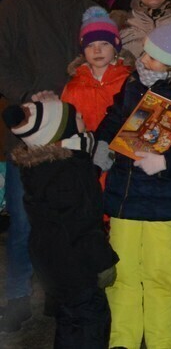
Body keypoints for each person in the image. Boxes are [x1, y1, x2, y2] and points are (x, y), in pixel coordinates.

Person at [0, 0, 96, 332]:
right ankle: (17, 295)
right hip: (31, 129)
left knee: (71, 216)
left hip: (75, 125)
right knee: (25, 219)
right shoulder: (19, 6)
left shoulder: (91, 8)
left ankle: (63, 291)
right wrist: (25, 94)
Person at [94, 21, 171, 349]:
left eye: (152, 56)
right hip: (125, 197)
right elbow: (115, 116)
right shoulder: (134, 82)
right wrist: (102, 145)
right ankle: (123, 341)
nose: (143, 58)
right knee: (123, 273)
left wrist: (167, 162)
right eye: (145, 51)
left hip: (165, 201)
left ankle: (164, 342)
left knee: (162, 276)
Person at [4, 98, 116, 348]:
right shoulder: (73, 171)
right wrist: (104, 262)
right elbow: (85, 224)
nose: (83, 120)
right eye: (76, 117)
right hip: (77, 264)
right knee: (92, 318)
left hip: (50, 264)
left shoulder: (40, 167)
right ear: (61, 130)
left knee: (68, 318)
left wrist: (90, 165)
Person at [62, 8, 132, 133]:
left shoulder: (129, 82)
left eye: (104, 44)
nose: (97, 51)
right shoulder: (73, 87)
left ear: (115, 45)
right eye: (90, 45)